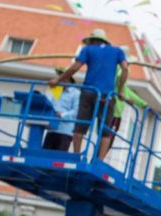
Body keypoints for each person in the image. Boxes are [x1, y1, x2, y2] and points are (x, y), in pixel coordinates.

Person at [48, 28, 128, 159]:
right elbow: (125, 68)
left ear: (92, 40)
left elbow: (75, 67)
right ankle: (100, 160)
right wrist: (120, 90)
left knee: (80, 127)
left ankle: (76, 156)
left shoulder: (87, 49)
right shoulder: (117, 51)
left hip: (89, 92)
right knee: (105, 132)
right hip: (107, 96)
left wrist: (58, 80)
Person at [100, 65, 147, 157]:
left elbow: (134, 97)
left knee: (109, 139)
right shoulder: (113, 85)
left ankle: (100, 158)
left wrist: (144, 104)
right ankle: (98, 158)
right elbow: (119, 76)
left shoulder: (125, 89)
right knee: (104, 137)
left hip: (115, 116)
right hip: (109, 114)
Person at [42, 68, 80, 152]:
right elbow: (48, 103)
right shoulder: (56, 90)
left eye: (62, 76)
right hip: (51, 129)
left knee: (58, 159)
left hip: (65, 131)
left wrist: (62, 115)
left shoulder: (76, 93)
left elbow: (77, 112)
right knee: (44, 157)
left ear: (69, 77)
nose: (59, 78)